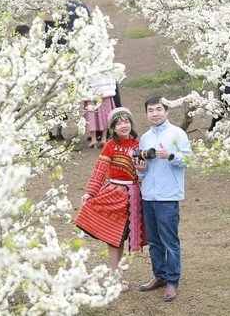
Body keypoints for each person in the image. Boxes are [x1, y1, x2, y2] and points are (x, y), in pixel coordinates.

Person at [74, 108, 148, 288]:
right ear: (113, 128)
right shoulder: (110, 146)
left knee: (122, 237)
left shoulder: (138, 144)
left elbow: (144, 171)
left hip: (134, 196)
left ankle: (116, 274)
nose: (123, 126)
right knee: (114, 237)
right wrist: (90, 192)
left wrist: (142, 169)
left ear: (131, 123)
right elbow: (100, 171)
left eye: (126, 121)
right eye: (118, 123)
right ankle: (113, 275)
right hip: (115, 195)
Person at [135, 95, 191, 303]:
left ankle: (172, 281)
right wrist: (140, 170)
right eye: (150, 110)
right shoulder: (145, 137)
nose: (155, 114)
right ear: (147, 114)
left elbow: (189, 159)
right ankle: (159, 276)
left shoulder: (177, 133)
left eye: (159, 109)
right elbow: (142, 169)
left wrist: (170, 156)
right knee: (154, 241)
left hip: (168, 196)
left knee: (169, 241)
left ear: (166, 111)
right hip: (148, 195)